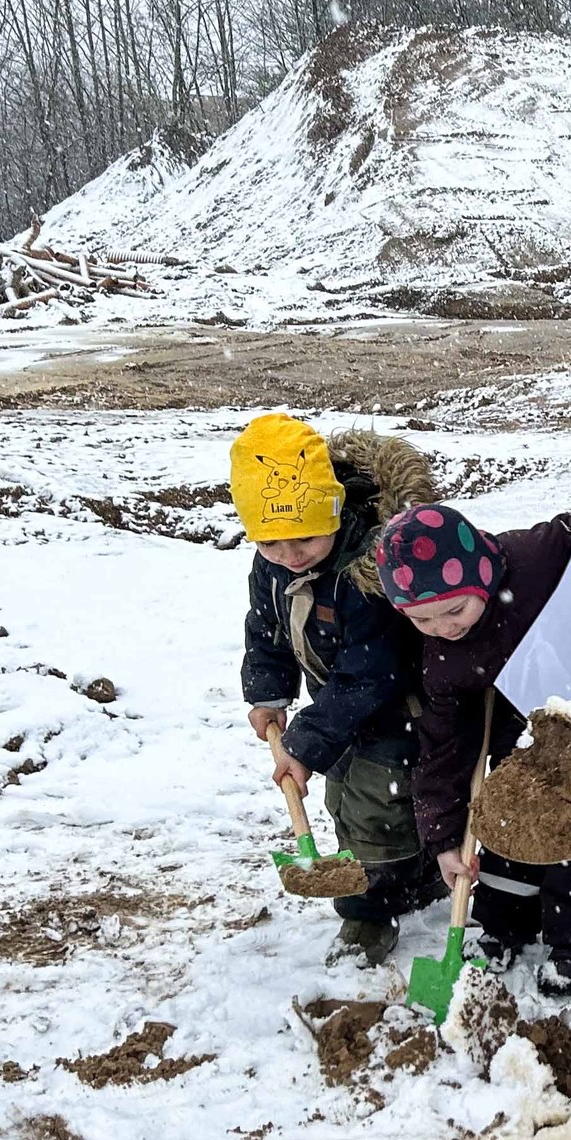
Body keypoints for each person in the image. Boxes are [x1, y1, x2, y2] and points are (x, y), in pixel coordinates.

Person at [374, 498, 571, 996]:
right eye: (423, 620)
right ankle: (504, 922)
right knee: (504, 815)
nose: (444, 628)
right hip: (516, 725)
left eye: (454, 609)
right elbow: (444, 749)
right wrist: (442, 839)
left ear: (480, 573)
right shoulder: (441, 657)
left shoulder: (536, 554)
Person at [233, 413, 439, 966]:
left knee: (378, 811)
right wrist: (268, 694)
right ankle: (417, 877)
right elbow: (267, 628)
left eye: (304, 538)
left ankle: (369, 917)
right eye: (272, 544)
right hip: (339, 706)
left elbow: (373, 672)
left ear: (334, 507)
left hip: (396, 706)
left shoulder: (368, 569)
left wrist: (304, 742)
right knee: (341, 801)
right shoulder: (272, 562)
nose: (290, 555)